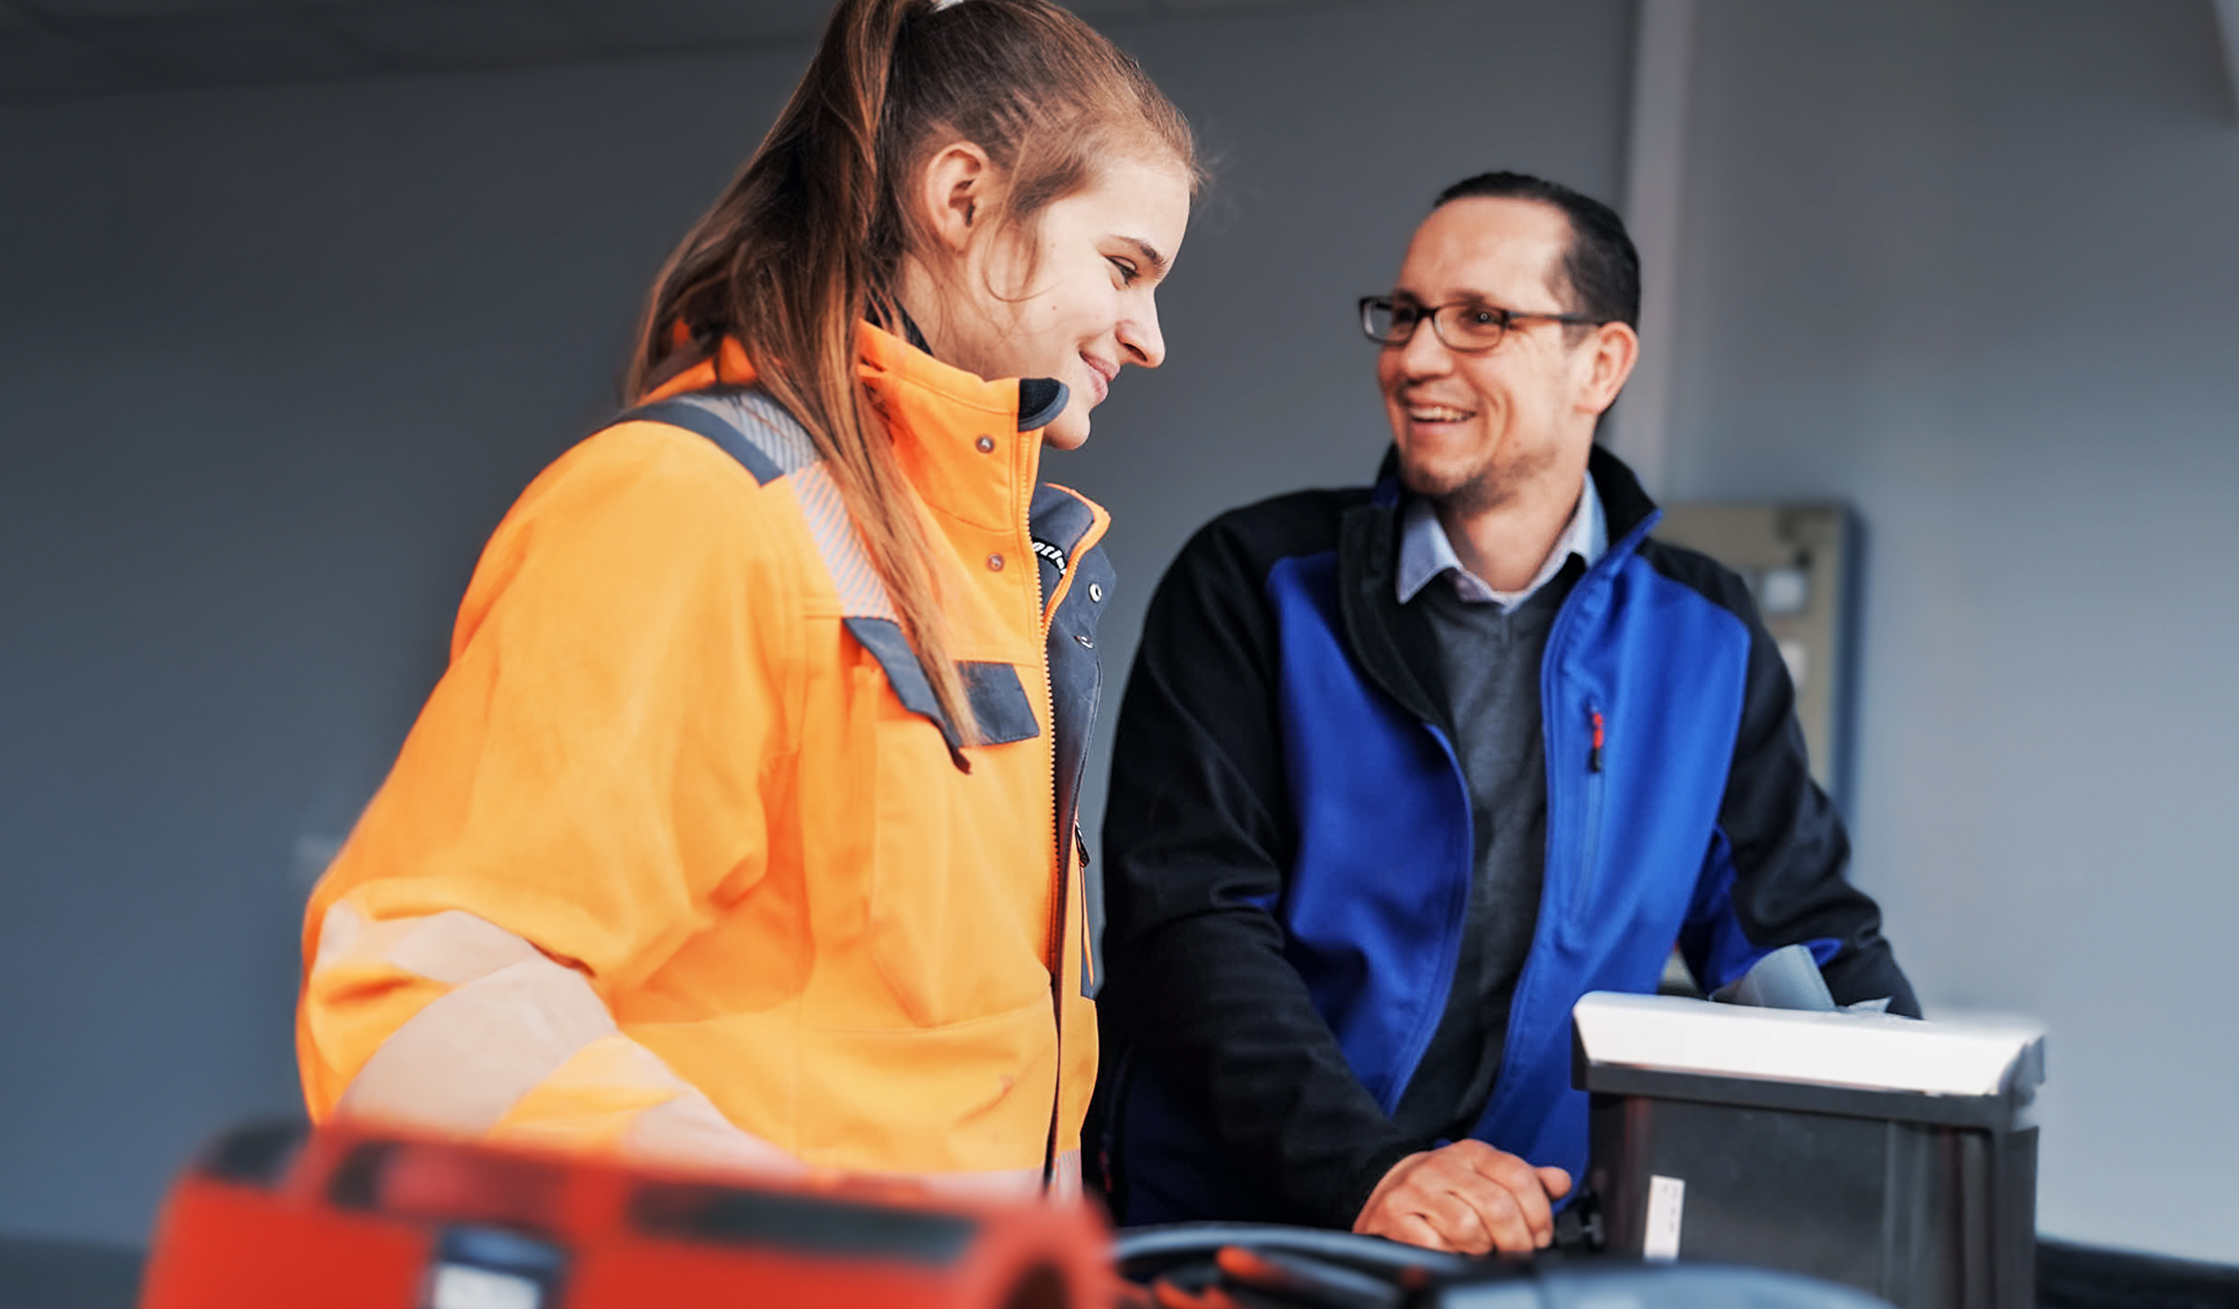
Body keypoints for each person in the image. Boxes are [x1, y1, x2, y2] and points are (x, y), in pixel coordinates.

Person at [296, 0, 1196, 1197]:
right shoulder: (687, 504)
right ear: (963, 197)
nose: (1149, 337)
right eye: (1123, 267)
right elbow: (424, 986)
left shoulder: (974, 573)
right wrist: (787, 1243)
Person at [1090, 172, 1916, 1249]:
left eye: (1481, 319)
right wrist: (1367, 1169)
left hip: (1507, 1239)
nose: (1416, 357)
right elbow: (1190, 923)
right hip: (1231, 1230)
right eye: (1405, 315)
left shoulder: (1702, 632)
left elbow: (1800, 938)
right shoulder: (1251, 580)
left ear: (1601, 363)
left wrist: (1925, 1155)